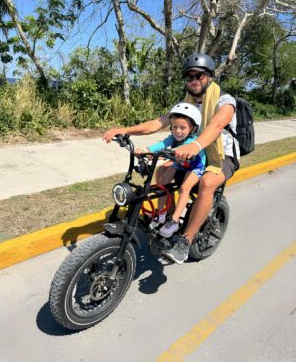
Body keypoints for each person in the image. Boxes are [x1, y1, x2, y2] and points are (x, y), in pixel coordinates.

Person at [103, 52, 240, 264]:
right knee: (161, 171)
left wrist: (196, 144)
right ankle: (166, 219)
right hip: (190, 153)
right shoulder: (186, 105)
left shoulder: (225, 100)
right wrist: (124, 130)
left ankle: (186, 240)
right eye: (189, 77)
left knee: (206, 183)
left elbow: (216, 126)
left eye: (199, 76)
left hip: (221, 155)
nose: (194, 81)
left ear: (210, 76)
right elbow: (159, 123)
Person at [135, 103, 206, 238]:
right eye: (174, 127)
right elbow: (161, 144)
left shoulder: (192, 141)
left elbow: (180, 151)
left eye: (183, 128)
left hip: (195, 165)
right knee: (162, 182)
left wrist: (167, 154)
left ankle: (174, 221)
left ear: (193, 128)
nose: (178, 131)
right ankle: (161, 214)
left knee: (184, 188)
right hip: (179, 163)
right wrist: (146, 150)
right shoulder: (173, 138)